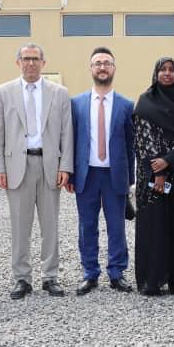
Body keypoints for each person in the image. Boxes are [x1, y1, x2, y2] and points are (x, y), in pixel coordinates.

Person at [0, 43, 73, 300]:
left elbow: (66, 132)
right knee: (19, 226)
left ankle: (50, 276)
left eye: (35, 59)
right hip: (17, 166)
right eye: (26, 59)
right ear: (18, 62)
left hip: (49, 165)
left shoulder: (59, 93)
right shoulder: (3, 92)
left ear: (43, 63)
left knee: (50, 225)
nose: (30, 63)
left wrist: (65, 166)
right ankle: (22, 278)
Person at [67, 47, 135, 295]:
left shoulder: (127, 105)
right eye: (98, 63)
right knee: (87, 226)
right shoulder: (76, 103)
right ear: (91, 68)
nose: (102, 67)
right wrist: (70, 174)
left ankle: (117, 273)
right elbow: (71, 140)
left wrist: (130, 178)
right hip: (87, 175)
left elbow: (130, 144)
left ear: (114, 68)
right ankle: (90, 273)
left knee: (116, 227)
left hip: (115, 175)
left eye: (107, 63)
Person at [132, 57, 174, 296]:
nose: (168, 73)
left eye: (172, 70)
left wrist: (169, 161)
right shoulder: (145, 102)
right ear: (156, 73)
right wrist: (159, 172)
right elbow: (144, 141)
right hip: (153, 179)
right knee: (155, 225)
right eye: (163, 69)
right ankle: (153, 280)